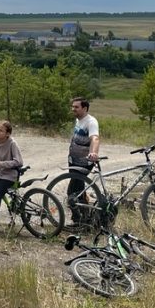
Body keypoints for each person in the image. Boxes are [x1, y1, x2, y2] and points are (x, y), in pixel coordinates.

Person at [66, 96, 100, 226]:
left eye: (76, 107)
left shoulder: (91, 122)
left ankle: (79, 222)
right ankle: (85, 220)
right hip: (73, 161)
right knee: (79, 190)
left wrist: (94, 153)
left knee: (72, 192)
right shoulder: (78, 120)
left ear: (84, 108)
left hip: (83, 162)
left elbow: (95, 138)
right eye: (72, 106)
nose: (73, 109)